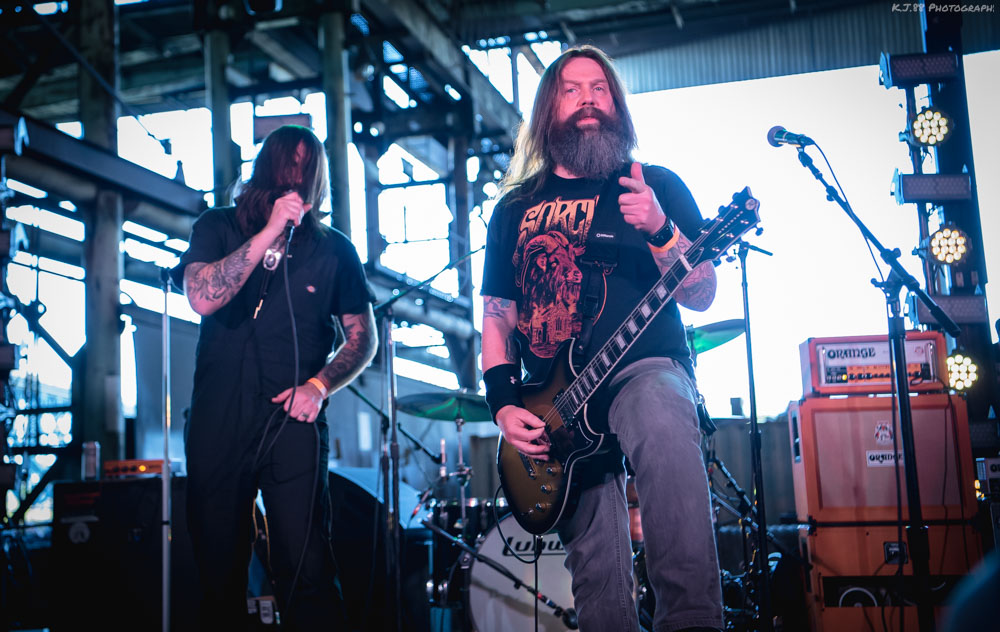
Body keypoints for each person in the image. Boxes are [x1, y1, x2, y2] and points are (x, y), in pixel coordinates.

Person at [480, 45, 724, 632]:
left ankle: (693, 620)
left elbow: (701, 292)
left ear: (615, 103)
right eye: (572, 89)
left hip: (642, 365)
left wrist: (660, 228)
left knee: (663, 412)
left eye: (600, 88)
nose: (588, 99)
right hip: (557, 400)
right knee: (598, 580)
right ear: (549, 109)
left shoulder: (654, 184)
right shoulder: (515, 209)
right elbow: (497, 316)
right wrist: (503, 403)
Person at [171, 124, 377, 630]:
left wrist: (320, 386)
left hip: (293, 421)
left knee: (307, 568)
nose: (296, 177)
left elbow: (362, 337)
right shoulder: (217, 226)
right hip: (220, 422)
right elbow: (201, 297)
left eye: (308, 168)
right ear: (268, 168)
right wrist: (268, 233)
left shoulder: (334, 250)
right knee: (218, 573)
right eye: (289, 163)